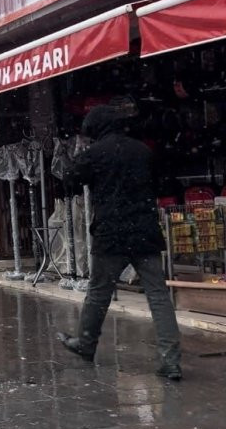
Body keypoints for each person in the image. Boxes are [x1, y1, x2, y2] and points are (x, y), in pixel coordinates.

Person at [58, 105, 182, 380]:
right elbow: (162, 184)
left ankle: (86, 343)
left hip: (111, 234)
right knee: (158, 296)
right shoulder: (143, 151)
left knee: (98, 293)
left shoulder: (95, 153)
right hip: (145, 232)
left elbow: (69, 181)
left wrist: (81, 157)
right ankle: (171, 360)